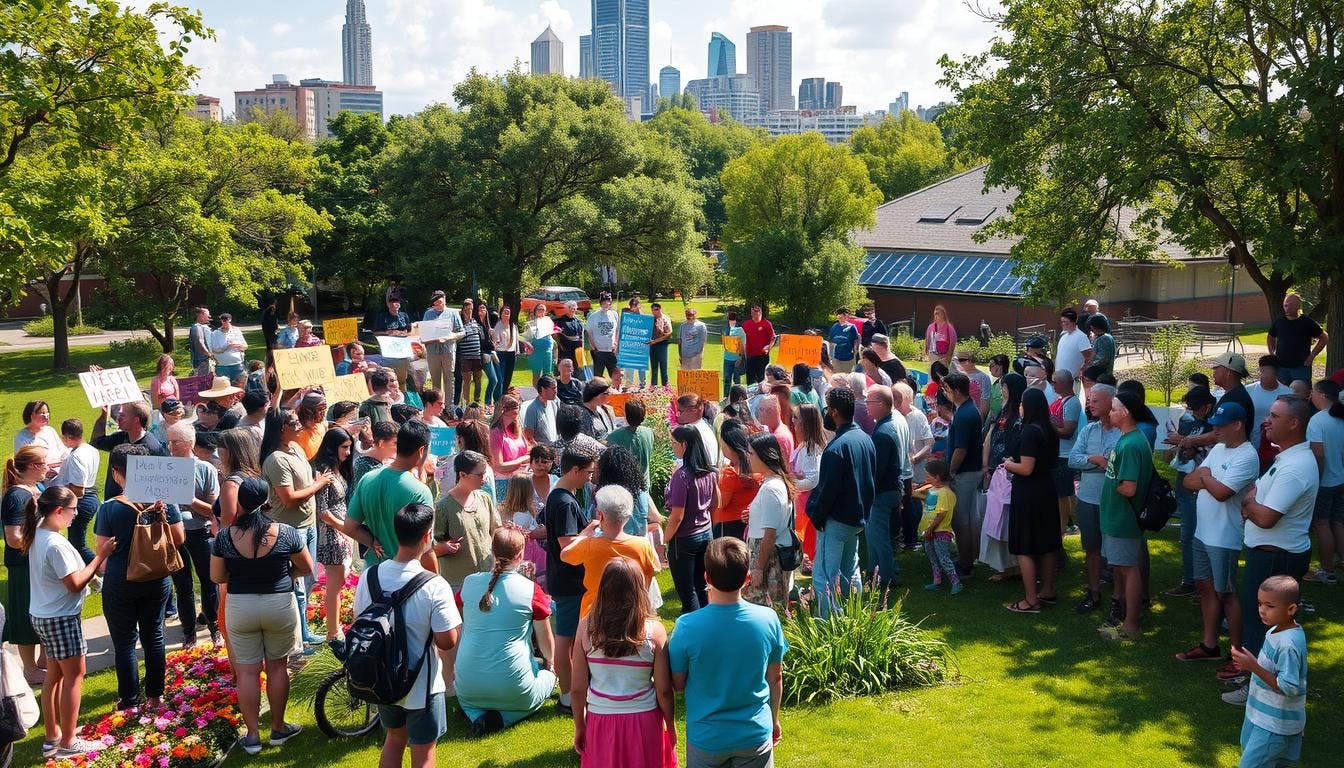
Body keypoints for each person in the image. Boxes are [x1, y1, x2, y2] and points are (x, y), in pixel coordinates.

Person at [1223, 395, 1318, 705]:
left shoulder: (1296, 467)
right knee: (1262, 620)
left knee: (1264, 623)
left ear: (1294, 423)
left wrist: (1249, 505)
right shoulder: (1286, 457)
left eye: (1275, 416)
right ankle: (1261, 683)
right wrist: (1253, 501)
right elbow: (1256, 492)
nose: (1266, 420)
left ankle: (1260, 688)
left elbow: (1265, 516)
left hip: (1276, 557)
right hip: (1270, 553)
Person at [355, 503, 461, 765]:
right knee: (424, 749)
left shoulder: (369, 576)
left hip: (383, 676)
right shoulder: (435, 584)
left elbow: (360, 620)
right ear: (427, 536)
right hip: (421, 683)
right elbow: (446, 642)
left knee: (394, 738)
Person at [208, 479, 308, 753]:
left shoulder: (225, 537)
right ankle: (278, 727)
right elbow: (306, 567)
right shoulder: (286, 532)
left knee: (247, 672)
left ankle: (252, 736)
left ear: (240, 501)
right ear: (268, 500)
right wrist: (287, 575)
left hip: (241, 606)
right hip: (279, 603)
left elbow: (217, 576)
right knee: (278, 666)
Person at [669, 537, 786, 768]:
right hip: (754, 734)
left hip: (707, 738)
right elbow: (775, 677)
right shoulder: (768, 619)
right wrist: (774, 720)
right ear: (748, 578)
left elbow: (678, 684)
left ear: (707, 578)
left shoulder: (686, 626)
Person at [95, 445, 185, 709]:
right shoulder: (164, 501)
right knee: (154, 635)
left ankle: (130, 699)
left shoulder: (110, 508)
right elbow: (179, 539)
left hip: (120, 580)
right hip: (157, 579)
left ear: (116, 474)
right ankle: (156, 696)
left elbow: (103, 550)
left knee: (124, 642)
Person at [26, 486, 113, 759]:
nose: (77, 514)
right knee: (75, 676)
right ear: (59, 511)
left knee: (54, 676)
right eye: (74, 509)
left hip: (42, 615)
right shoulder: (55, 543)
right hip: (60, 618)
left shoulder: (39, 534)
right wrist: (101, 556)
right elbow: (74, 584)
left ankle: (52, 737)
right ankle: (68, 742)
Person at [1174, 403, 1257, 675]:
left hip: (1224, 537)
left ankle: (1238, 655)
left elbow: (1223, 493)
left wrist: (1206, 478)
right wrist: (1208, 479)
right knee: (1206, 588)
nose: (1215, 429)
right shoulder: (1220, 449)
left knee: (1227, 593)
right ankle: (1210, 645)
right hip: (1203, 533)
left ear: (1238, 424)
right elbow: (1188, 483)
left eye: (1221, 425)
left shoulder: (1247, 456)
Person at [571, 557, 676, 768]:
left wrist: (580, 726)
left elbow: (577, 689)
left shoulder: (586, 627)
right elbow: (664, 690)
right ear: (639, 589)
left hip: (601, 720)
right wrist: (671, 724)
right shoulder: (654, 631)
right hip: (644, 719)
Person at [455, 527, 553, 737]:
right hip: (514, 687)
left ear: (492, 550)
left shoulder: (469, 583)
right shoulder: (530, 589)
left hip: (466, 686)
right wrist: (550, 664)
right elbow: (546, 642)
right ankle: (503, 718)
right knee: (548, 678)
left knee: (473, 702)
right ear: (520, 555)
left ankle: (477, 716)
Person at [261, 408, 332, 646]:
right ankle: (298, 638)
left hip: (308, 524)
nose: (300, 425)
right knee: (297, 585)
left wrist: (314, 482)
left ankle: (302, 630)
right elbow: (289, 498)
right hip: (291, 529)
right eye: (294, 422)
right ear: (282, 429)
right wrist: (319, 484)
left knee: (308, 577)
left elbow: (305, 483)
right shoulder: (276, 459)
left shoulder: (298, 449)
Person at [806, 388, 876, 617]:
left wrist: (817, 516)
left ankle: (827, 626)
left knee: (824, 576)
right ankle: (854, 617)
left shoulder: (836, 449)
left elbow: (827, 491)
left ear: (834, 412)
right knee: (850, 572)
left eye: (827, 409)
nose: (825, 413)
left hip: (836, 522)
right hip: (857, 519)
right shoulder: (865, 439)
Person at [542, 447, 598, 714]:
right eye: (588, 472)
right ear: (574, 470)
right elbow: (567, 546)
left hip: (563, 578)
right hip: (569, 580)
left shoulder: (559, 496)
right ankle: (567, 695)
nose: (590, 477)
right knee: (567, 640)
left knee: (570, 638)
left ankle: (570, 690)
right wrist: (589, 531)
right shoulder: (564, 502)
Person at [1231, 575, 1307, 768]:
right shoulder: (1275, 630)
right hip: (1260, 717)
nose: (1262, 610)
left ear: (1291, 609)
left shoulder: (1288, 644)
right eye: (1259, 604)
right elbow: (1272, 670)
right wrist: (1250, 664)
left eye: (1270, 606)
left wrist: (1253, 667)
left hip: (1274, 726)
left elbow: (1289, 687)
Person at [1098, 391, 1155, 642]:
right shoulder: (1127, 439)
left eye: (1113, 409)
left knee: (1128, 569)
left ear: (1125, 412)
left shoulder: (1132, 444)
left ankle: (1131, 625)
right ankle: (1125, 616)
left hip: (1124, 518)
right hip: (1116, 517)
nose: (1109, 413)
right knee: (1122, 568)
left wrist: (1115, 485)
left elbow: (1129, 487)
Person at [344, 419, 436, 568]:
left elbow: (349, 527)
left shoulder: (368, 479)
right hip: (407, 575)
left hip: (374, 572)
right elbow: (426, 549)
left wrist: (372, 541)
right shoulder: (420, 491)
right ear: (421, 450)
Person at [1003, 389, 1063, 613]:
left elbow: (1026, 468)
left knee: (1024, 546)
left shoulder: (1029, 431)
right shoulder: (1050, 429)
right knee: (1047, 542)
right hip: (1047, 489)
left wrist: (1009, 464)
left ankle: (1031, 599)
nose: (1019, 407)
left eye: (1021, 404)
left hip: (1029, 492)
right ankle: (1047, 589)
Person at [561, 484, 658, 617]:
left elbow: (564, 555)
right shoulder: (642, 545)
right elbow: (650, 574)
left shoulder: (589, 545)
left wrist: (583, 535)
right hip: (631, 612)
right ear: (628, 515)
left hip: (594, 612)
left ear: (600, 515)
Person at [165, 422, 220, 648]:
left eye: (174, 442)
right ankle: (189, 632)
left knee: (209, 581)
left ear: (189, 443)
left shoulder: (205, 470)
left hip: (201, 533)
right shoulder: (164, 469)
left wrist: (189, 499)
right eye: (168, 441)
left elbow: (213, 510)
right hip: (174, 535)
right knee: (182, 584)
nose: (170, 446)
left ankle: (214, 625)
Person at [1163, 387, 1216, 596]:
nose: (1191, 412)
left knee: (1197, 536)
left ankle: (1199, 583)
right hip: (1185, 482)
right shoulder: (1189, 423)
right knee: (1187, 536)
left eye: (1195, 408)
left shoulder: (1212, 428)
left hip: (1201, 487)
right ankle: (1191, 580)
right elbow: (1175, 454)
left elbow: (1209, 455)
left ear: (1207, 407)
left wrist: (1186, 443)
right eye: (1189, 408)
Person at [4, 445, 49, 683]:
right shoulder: (16, 496)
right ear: (32, 466)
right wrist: (39, 547)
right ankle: (29, 669)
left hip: (36, 563)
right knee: (25, 613)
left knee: (41, 610)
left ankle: (43, 661)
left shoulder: (35, 488)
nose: (47, 467)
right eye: (44, 463)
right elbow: (13, 538)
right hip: (24, 566)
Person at [664, 425, 719, 613]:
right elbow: (715, 502)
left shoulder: (682, 476)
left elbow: (677, 516)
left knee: (688, 593)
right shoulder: (709, 472)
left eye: (674, 443)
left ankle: (693, 630)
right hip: (705, 533)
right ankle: (708, 627)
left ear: (684, 445)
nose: (672, 447)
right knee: (702, 586)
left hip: (685, 538)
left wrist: (665, 539)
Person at [312, 427, 355, 651]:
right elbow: (323, 512)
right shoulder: (324, 471)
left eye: (349, 447)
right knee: (334, 586)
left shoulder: (337, 469)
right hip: (331, 534)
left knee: (337, 583)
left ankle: (334, 628)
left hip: (340, 531)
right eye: (344, 447)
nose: (348, 452)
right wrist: (345, 530)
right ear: (332, 447)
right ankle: (332, 632)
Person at [743, 433, 796, 613]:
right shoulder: (772, 482)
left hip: (768, 554)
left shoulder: (772, 488)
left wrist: (758, 568)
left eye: (751, 453)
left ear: (764, 456)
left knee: (768, 606)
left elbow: (770, 534)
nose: (747, 457)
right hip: (767, 550)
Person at [865, 385, 907, 590]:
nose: (866, 406)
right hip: (892, 489)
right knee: (874, 536)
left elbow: (877, 470)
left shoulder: (882, 432)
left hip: (882, 493)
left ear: (881, 404)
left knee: (878, 537)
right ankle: (875, 573)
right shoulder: (889, 423)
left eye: (869, 402)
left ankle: (886, 577)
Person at [944, 371, 984, 578]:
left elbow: (961, 449)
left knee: (962, 521)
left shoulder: (964, 414)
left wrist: (950, 471)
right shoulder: (967, 409)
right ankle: (969, 556)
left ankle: (965, 563)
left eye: (947, 390)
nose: (945, 393)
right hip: (971, 471)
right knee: (969, 518)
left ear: (957, 391)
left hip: (965, 473)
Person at [1305, 381, 1344, 584]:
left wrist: (1315, 480)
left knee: (1322, 524)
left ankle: (1327, 570)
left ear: (1321, 395)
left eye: (1313, 392)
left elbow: (1318, 454)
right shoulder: (1340, 418)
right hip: (1341, 480)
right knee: (1338, 521)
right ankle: (1339, 561)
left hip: (1326, 482)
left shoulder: (1317, 421)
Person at [90, 398, 164, 497]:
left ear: (136, 419)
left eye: (122, 415)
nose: (118, 418)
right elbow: (96, 441)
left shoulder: (152, 447)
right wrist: (104, 415)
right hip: (113, 503)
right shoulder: (121, 437)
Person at [53, 419, 99, 565]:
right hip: (90, 498)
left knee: (77, 545)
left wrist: (56, 492)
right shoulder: (90, 449)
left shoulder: (76, 457)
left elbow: (78, 489)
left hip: (81, 502)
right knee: (76, 543)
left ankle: (103, 572)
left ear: (67, 437)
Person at [896, 382, 933, 551]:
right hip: (901, 468)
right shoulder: (896, 415)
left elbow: (929, 443)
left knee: (913, 501)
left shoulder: (917, 416)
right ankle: (904, 535)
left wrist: (915, 458)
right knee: (903, 501)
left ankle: (911, 538)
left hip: (915, 468)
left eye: (897, 398)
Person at [914, 459, 961, 593]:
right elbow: (925, 498)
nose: (926, 478)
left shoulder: (945, 493)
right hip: (930, 532)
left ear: (938, 477)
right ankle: (937, 581)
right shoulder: (933, 490)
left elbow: (941, 514)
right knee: (933, 557)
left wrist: (930, 529)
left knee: (943, 558)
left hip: (940, 532)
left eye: (928, 475)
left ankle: (956, 583)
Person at [790, 403, 827, 565]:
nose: (792, 421)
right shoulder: (805, 445)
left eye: (796, 418)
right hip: (802, 503)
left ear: (806, 422)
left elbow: (812, 480)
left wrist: (790, 483)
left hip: (807, 505)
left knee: (810, 546)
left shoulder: (810, 448)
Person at [1267, 293, 1327, 386]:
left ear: (1298, 305)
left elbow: (1324, 337)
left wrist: (1312, 356)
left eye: (1291, 304)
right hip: (1282, 368)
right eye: (1285, 305)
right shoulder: (1279, 321)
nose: (1288, 307)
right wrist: (1272, 353)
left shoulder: (1306, 322)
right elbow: (1270, 337)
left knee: (1301, 396)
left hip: (1301, 368)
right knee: (1282, 396)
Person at [715, 419, 761, 541]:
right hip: (749, 523)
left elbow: (721, 503)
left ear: (729, 445)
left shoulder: (730, 473)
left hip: (728, 526)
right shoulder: (756, 467)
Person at [1050, 369, 1082, 538]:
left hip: (1065, 454)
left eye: (1055, 382)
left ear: (1065, 383)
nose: (1053, 385)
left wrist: (1048, 425)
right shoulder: (1060, 401)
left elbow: (1068, 431)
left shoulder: (1072, 403)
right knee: (1061, 493)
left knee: (1062, 494)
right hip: (1057, 453)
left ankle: (1063, 528)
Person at [421, 290, 466, 402]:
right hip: (432, 351)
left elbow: (462, 332)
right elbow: (424, 333)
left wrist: (451, 336)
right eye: (435, 303)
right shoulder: (428, 314)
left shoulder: (453, 313)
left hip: (448, 351)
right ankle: (437, 405)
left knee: (449, 379)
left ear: (444, 299)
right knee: (435, 381)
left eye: (439, 302)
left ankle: (449, 406)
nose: (437, 305)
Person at [489, 394, 531, 500]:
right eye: (511, 408)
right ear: (502, 411)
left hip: (522, 481)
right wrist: (522, 460)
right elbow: (498, 466)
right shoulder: (495, 433)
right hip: (504, 484)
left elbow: (528, 451)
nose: (515, 411)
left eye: (516, 408)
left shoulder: (517, 429)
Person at [607, 398, 655, 488]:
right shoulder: (649, 432)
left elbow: (605, 446)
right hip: (645, 482)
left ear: (627, 415)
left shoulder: (616, 435)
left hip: (625, 484)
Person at [675, 393, 724, 468]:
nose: (676, 415)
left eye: (680, 411)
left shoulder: (692, 433)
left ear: (693, 411)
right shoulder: (705, 426)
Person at [374, 295, 413, 387]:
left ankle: (403, 396)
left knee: (402, 379)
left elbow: (410, 332)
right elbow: (375, 332)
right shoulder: (382, 317)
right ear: (388, 304)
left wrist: (402, 333)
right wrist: (387, 332)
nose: (395, 304)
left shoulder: (404, 316)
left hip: (402, 352)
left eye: (397, 302)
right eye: (392, 302)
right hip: (388, 353)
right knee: (388, 378)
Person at [584, 291, 619, 379]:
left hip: (611, 350)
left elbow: (617, 329)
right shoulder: (594, 316)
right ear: (600, 303)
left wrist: (616, 343)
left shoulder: (614, 314)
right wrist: (593, 345)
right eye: (604, 303)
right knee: (598, 376)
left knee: (615, 375)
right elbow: (589, 331)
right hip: (598, 351)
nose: (606, 305)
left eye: (608, 303)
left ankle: (616, 392)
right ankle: (598, 392)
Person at [740, 304, 776, 385]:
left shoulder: (766, 324)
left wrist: (768, 347)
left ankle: (761, 396)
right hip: (750, 356)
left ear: (760, 312)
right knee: (750, 380)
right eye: (752, 312)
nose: (754, 314)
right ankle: (751, 396)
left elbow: (773, 339)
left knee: (762, 379)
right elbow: (741, 339)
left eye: (756, 312)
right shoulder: (746, 324)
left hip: (762, 356)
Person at [523, 302, 557, 385]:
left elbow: (551, 337)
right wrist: (528, 345)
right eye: (539, 309)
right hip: (536, 351)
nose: (541, 311)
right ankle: (538, 393)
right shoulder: (531, 323)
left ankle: (547, 392)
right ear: (535, 311)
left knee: (548, 374)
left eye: (543, 309)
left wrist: (553, 349)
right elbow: (525, 338)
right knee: (536, 374)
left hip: (547, 351)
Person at [1057, 309, 1094, 378]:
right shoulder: (1063, 336)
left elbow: (1089, 358)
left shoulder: (1081, 336)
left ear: (1074, 322)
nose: (1063, 324)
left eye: (1066, 322)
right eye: (1062, 322)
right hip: (1060, 378)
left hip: (1073, 379)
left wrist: (1081, 371)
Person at [210, 313, 248, 381]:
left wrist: (239, 346)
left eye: (226, 320)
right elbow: (214, 350)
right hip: (222, 366)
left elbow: (245, 346)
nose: (225, 322)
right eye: (223, 320)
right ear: (221, 321)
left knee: (239, 386)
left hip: (237, 364)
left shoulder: (237, 331)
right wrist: (227, 346)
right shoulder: (215, 333)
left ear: (230, 320)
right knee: (224, 387)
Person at [524, 375, 560, 445]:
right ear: (543, 389)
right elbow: (529, 438)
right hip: (542, 452)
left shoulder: (554, 403)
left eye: (556, 388)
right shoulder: (532, 409)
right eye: (553, 388)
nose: (556, 391)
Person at [623, 296, 649, 389]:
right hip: (630, 345)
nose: (633, 307)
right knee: (629, 366)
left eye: (635, 305)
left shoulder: (645, 317)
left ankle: (643, 384)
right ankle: (628, 384)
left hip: (641, 346)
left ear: (639, 305)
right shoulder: (628, 317)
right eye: (632, 305)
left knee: (641, 367)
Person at [493, 304, 520, 393]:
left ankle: (504, 395)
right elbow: (495, 341)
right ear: (501, 314)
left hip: (511, 354)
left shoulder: (513, 326)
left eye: (508, 312)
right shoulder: (498, 325)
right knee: (501, 378)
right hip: (501, 354)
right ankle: (498, 398)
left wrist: (517, 350)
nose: (506, 313)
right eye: (504, 311)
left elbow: (516, 339)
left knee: (508, 377)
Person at [579, 378, 616, 443]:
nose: (610, 395)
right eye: (607, 393)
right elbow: (588, 443)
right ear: (597, 395)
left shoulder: (601, 409)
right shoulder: (583, 416)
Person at [720, 310, 746, 396]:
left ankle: (737, 398)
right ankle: (726, 397)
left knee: (737, 381)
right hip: (727, 359)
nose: (731, 321)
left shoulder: (740, 330)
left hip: (736, 359)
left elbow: (743, 345)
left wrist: (740, 358)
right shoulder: (725, 330)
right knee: (727, 380)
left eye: (733, 319)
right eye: (730, 319)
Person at [554, 300, 585, 373]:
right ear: (566, 309)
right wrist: (559, 344)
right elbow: (555, 334)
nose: (572, 310)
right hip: (565, 348)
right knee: (565, 367)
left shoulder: (578, 320)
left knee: (577, 368)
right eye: (570, 308)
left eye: (574, 308)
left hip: (577, 348)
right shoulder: (560, 320)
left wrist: (582, 345)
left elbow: (581, 334)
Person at [828, 308, 861, 373]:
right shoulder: (834, 326)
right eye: (838, 315)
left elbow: (856, 339)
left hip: (849, 358)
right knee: (837, 377)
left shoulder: (852, 327)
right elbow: (831, 342)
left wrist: (856, 351)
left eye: (842, 315)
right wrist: (830, 356)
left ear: (846, 316)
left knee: (848, 378)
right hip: (836, 358)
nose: (840, 316)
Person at [649, 302, 674, 387]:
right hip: (652, 345)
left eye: (656, 309)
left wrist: (656, 341)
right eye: (652, 310)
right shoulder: (651, 319)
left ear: (660, 309)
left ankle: (666, 387)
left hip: (662, 345)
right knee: (654, 367)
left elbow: (669, 333)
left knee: (663, 367)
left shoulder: (665, 319)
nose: (654, 312)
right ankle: (653, 387)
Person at [188, 306, 213, 373]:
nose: (209, 317)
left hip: (204, 360)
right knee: (203, 381)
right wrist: (210, 355)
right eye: (208, 315)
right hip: (201, 362)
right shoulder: (197, 327)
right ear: (201, 315)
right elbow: (200, 343)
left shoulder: (202, 327)